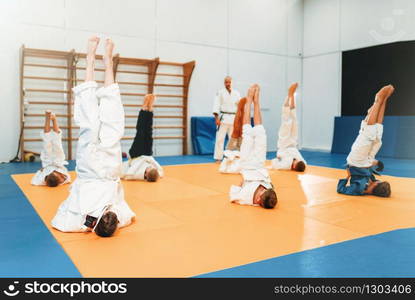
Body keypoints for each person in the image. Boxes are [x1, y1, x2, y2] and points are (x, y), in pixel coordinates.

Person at [51, 36, 135, 237]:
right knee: (92, 122)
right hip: (98, 170)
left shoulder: (115, 216)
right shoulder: (96, 219)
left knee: (107, 122)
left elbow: (61, 221)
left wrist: (89, 225)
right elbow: (61, 221)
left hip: (102, 170)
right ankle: (99, 61)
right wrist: (88, 225)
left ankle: (99, 61)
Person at [337, 84, 394, 197]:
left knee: (368, 134)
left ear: (375, 187)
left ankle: (377, 101)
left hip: (356, 161)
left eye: (377, 182)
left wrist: (347, 177)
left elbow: (340, 189)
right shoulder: (370, 182)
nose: (376, 181)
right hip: (366, 161)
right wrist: (376, 162)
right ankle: (383, 100)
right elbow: (367, 170)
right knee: (377, 135)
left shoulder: (359, 189)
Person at [229, 84, 277, 208]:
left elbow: (233, 194)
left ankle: (249, 100)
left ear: (259, 199)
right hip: (260, 164)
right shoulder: (270, 193)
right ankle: (256, 102)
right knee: (260, 131)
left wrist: (241, 185)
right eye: (264, 191)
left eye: (260, 195)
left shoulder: (247, 198)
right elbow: (271, 185)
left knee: (247, 131)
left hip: (247, 164)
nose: (261, 191)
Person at [121, 93, 163, 182]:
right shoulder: (153, 169)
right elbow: (160, 171)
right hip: (147, 153)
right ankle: (150, 109)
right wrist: (157, 171)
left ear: (146, 174)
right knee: (148, 132)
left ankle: (144, 107)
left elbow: (128, 175)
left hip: (137, 154)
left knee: (140, 131)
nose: (150, 167)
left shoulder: (138, 174)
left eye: (149, 169)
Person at [271, 83, 306, 172]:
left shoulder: (286, 165)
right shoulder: (301, 162)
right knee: (294, 120)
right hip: (293, 142)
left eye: (296, 162)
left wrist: (278, 158)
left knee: (286, 121)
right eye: (298, 161)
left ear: (293, 167)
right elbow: (304, 164)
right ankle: (292, 96)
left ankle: (288, 96)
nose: (296, 160)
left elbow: (274, 164)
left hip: (283, 144)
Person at [31, 110, 71, 186]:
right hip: (58, 160)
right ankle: (54, 119)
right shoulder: (64, 178)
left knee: (47, 139)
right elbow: (67, 178)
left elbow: (34, 181)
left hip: (48, 161)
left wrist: (40, 172)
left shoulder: (42, 179)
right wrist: (63, 179)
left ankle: (47, 118)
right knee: (57, 140)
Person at [213, 76, 241, 162]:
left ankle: (230, 156)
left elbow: (240, 106)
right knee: (220, 139)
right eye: (226, 82)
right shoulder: (220, 93)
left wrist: (239, 119)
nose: (228, 84)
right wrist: (216, 118)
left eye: (229, 82)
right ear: (224, 83)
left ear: (232, 82)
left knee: (232, 139)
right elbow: (216, 105)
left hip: (233, 118)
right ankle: (218, 157)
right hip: (223, 118)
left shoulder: (236, 93)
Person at [219, 97, 246, 174]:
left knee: (236, 131)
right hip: (239, 153)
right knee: (240, 131)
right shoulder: (236, 169)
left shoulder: (226, 168)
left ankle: (240, 108)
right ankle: (241, 108)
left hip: (232, 153)